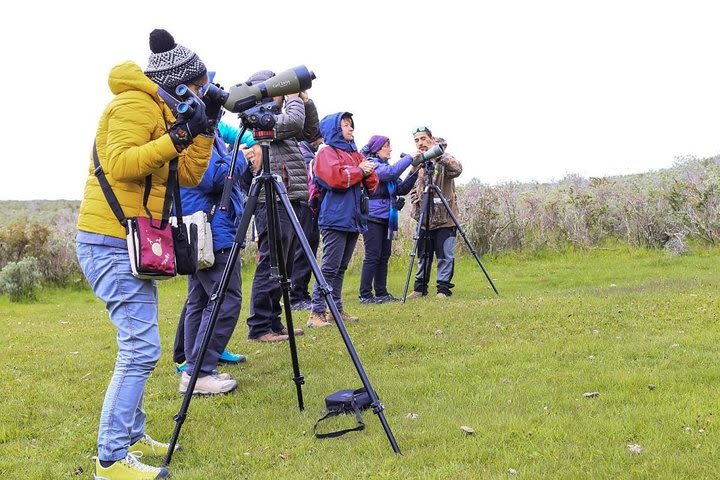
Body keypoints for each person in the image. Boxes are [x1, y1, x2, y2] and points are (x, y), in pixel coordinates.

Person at [75, 29, 212, 479]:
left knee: (140, 342)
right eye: (199, 86)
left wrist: (202, 130)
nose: (203, 91)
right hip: (109, 239)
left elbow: (189, 176)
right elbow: (122, 164)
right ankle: (111, 461)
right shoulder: (134, 104)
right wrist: (178, 134)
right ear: (178, 84)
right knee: (140, 349)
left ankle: (131, 436)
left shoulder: (164, 111)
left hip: (133, 241)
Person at [173, 114, 257, 395]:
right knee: (226, 299)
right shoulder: (197, 136)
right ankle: (199, 372)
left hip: (201, 227)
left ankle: (193, 367)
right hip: (210, 228)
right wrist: (240, 158)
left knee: (199, 298)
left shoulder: (202, 132)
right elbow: (213, 178)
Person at [244, 70, 320, 342]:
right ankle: (259, 326)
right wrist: (292, 97)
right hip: (272, 199)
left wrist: (305, 100)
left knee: (284, 266)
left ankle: (274, 322)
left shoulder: (281, 117)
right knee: (271, 263)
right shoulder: (259, 117)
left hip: (291, 194)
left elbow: (310, 131)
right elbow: (295, 122)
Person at [307, 113, 380, 327]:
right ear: (334, 129)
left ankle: (335, 310)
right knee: (329, 267)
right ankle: (316, 312)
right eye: (345, 125)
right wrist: (359, 171)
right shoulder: (326, 152)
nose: (350, 129)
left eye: (351, 125)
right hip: (335, 218)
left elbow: (373, 181)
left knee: (341, 267)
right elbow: (335, 178)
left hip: (353, 218)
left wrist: (358, 171)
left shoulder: (354, 153)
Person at [358, 135, 417, 304]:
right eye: (387, 146)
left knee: (384, 255)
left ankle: (381, 293)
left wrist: (414, 170)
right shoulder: (371, 164)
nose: (390, 149)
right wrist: (410, 157)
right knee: (372, 255)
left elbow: (402, 188)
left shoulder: (385, 166)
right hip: (373, 216)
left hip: (387, 218)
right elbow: (391, 174)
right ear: (377, 149)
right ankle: (365, 295)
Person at [407, 127, 463, 299]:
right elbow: (409, 184)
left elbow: (457, 169)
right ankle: (419, 288)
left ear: (431, 139)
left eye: (423, 138)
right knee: (423, 255)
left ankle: (443, 290)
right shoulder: (420, 161)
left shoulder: (443, 157)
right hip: (424, 218)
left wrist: (437, 154)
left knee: (445, 254)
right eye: (417, 140)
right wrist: (414, 164)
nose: (420, 143)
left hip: (445, 217)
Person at [289, 134, 323, 311]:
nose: (322, 142)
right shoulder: (308, 156)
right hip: (306, 206)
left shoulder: (303, 152)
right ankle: (297, 296)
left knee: (304, 249)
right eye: (320, 138)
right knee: (304, 249)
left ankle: (300, 293)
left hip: (303, 206)